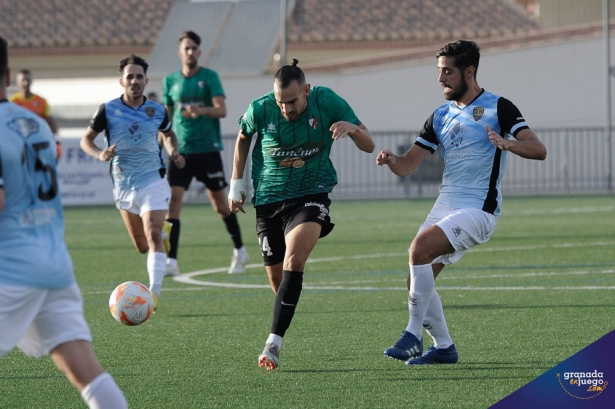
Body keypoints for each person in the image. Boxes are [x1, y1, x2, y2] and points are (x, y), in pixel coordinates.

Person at [377, 40, 547, 365]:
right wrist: (392, 160)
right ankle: (443, 348)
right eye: (439, 71)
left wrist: (508, 144)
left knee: (417, 250)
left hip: (478, 210)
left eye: (447, 72)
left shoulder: (500, 107)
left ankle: (412, 336)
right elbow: (409, 164)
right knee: (415, 279)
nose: (441, 79)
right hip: (446, 206)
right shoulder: (440, 115)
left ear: (469, 72)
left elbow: (539, 149)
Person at [0, 35, 128, 409]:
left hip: (10, 270)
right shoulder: (35, 123)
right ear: (8, 73)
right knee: (88, 374)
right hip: (54, 264)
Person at [229, 59, 375, 370]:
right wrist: (235, 185)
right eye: (281, 102)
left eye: (293, 101)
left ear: (307, 91)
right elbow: (243, 138)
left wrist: (352, 129)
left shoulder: (327, 101)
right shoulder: (260, 108)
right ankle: (284, 316)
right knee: (278, 280)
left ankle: (273, 344)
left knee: (295, 259)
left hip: (311, 194)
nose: (286, 109)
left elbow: (369, 143)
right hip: (268, 201)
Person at [80, 54, 185, 310]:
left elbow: (169, 134)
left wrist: (172, 151)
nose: (135, 81)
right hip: (124, 186)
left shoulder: (157, 110)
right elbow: (86, 140)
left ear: (146, 80)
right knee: (141, 246)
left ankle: (154, 293)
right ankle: (164, 232)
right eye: (130, 77)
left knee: (151, 235)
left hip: (153, 181)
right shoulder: (108, 109)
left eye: (139, 76)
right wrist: (100, 154)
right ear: (121, 81)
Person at [161, 30, 248, 276]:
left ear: (199, 52)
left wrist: (200, 111)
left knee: (221, 205)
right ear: (180, 53)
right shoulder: (170, 81)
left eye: (193, 48)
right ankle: (172, 261)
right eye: (185, 48)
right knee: (173, 202)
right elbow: (166, 119)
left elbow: (221, 110)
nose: (190, 52)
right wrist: (165, 144)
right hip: (181, 152)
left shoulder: (209, 77)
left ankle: (240, 250)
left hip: (207, 149)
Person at [10, 68, 63, 161]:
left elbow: (50, 121)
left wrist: (57, 140)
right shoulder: (12, 102)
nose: (25, 83)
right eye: (23, 80)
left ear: (31, 81)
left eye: (28, 80)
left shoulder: (41, 101)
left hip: (37, 142)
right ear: (18, 83)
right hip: (19, 143)